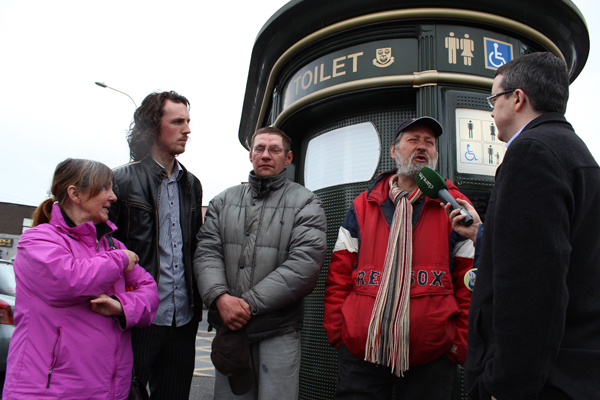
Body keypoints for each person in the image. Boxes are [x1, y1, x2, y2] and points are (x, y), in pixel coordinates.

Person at [453, 52, 600, 400]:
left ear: (518, 98)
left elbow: (530, 286)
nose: (490, 111)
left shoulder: (530, 152)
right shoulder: (579, 155)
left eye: (494, 98)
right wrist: (482, 233)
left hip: (540, 381)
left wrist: (503, 384)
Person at [323, 117, 475, 399]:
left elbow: (469, 283)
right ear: (393, 150)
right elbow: (339, 275)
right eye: (413, 139)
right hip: (361, 353)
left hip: (432, 357)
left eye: (429, 142)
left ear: (436, 154)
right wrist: (339, 334)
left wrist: (457, 345)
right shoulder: (363, 205)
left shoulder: (455, 206)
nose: (422, 147)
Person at [3, 159, 159, 399]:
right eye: (105, 188)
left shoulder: (113, 246)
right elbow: (67, 280)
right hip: (48, 391)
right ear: (75, 193)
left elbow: (149, 292)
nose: (113, 196)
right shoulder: (37, 240)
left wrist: (121, 307)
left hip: (107, 391)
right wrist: (118, 261)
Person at [194, 126, 327, 399]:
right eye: (260, 149)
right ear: (251, 155)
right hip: (229, 332)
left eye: (275, 150)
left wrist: (246, 305)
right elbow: (206, 252)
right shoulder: (222, 201)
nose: (266, 155)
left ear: (288, 158)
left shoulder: (306, 202)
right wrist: (220, 297)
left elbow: (304, 265)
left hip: (277, 330)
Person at [109, 91, 203, 399]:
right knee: (127, 393)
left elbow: (195, 249)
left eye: (188, 121)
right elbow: (102, 248)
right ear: (152, 127)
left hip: (184, 320)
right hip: (139, 318)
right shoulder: (120, 179)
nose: (187, 129)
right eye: (177, 122)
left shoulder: (193, 184)